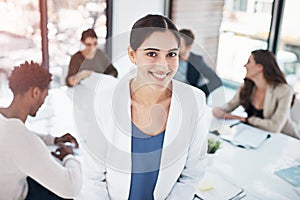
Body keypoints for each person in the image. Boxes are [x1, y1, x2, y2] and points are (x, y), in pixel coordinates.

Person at [89, 14, 209, 200]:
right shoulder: (104, 102)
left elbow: (192, 174)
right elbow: (92, 179)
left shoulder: (195, 101)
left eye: (171, 54)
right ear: (132, 55)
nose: (163, 65)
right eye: (152, 54)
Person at [0, 61, 82, 199]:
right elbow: (70, 188)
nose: (44, 101)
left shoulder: (5, 121)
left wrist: (54, 140)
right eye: (46, 94)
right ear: (36, 92)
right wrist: (69, 156)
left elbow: (17, 136)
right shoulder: (22, 139)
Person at [213, 49, 299, 139]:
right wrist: (219, 111)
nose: (245, 65)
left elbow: (275, 126)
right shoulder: (247, 86)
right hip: (256, 136)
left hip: (285, 139)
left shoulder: (284, 91)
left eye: (249, 62)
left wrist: (245, 119)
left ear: (259, 67)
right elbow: (230, 105)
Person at [173, 29, 222, 97]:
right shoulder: (170, 57)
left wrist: (199, 92)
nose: (175, 48)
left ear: (189, 47)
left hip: (187, 97)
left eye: (179, 46)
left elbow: (216, 81)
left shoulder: (197, 61)